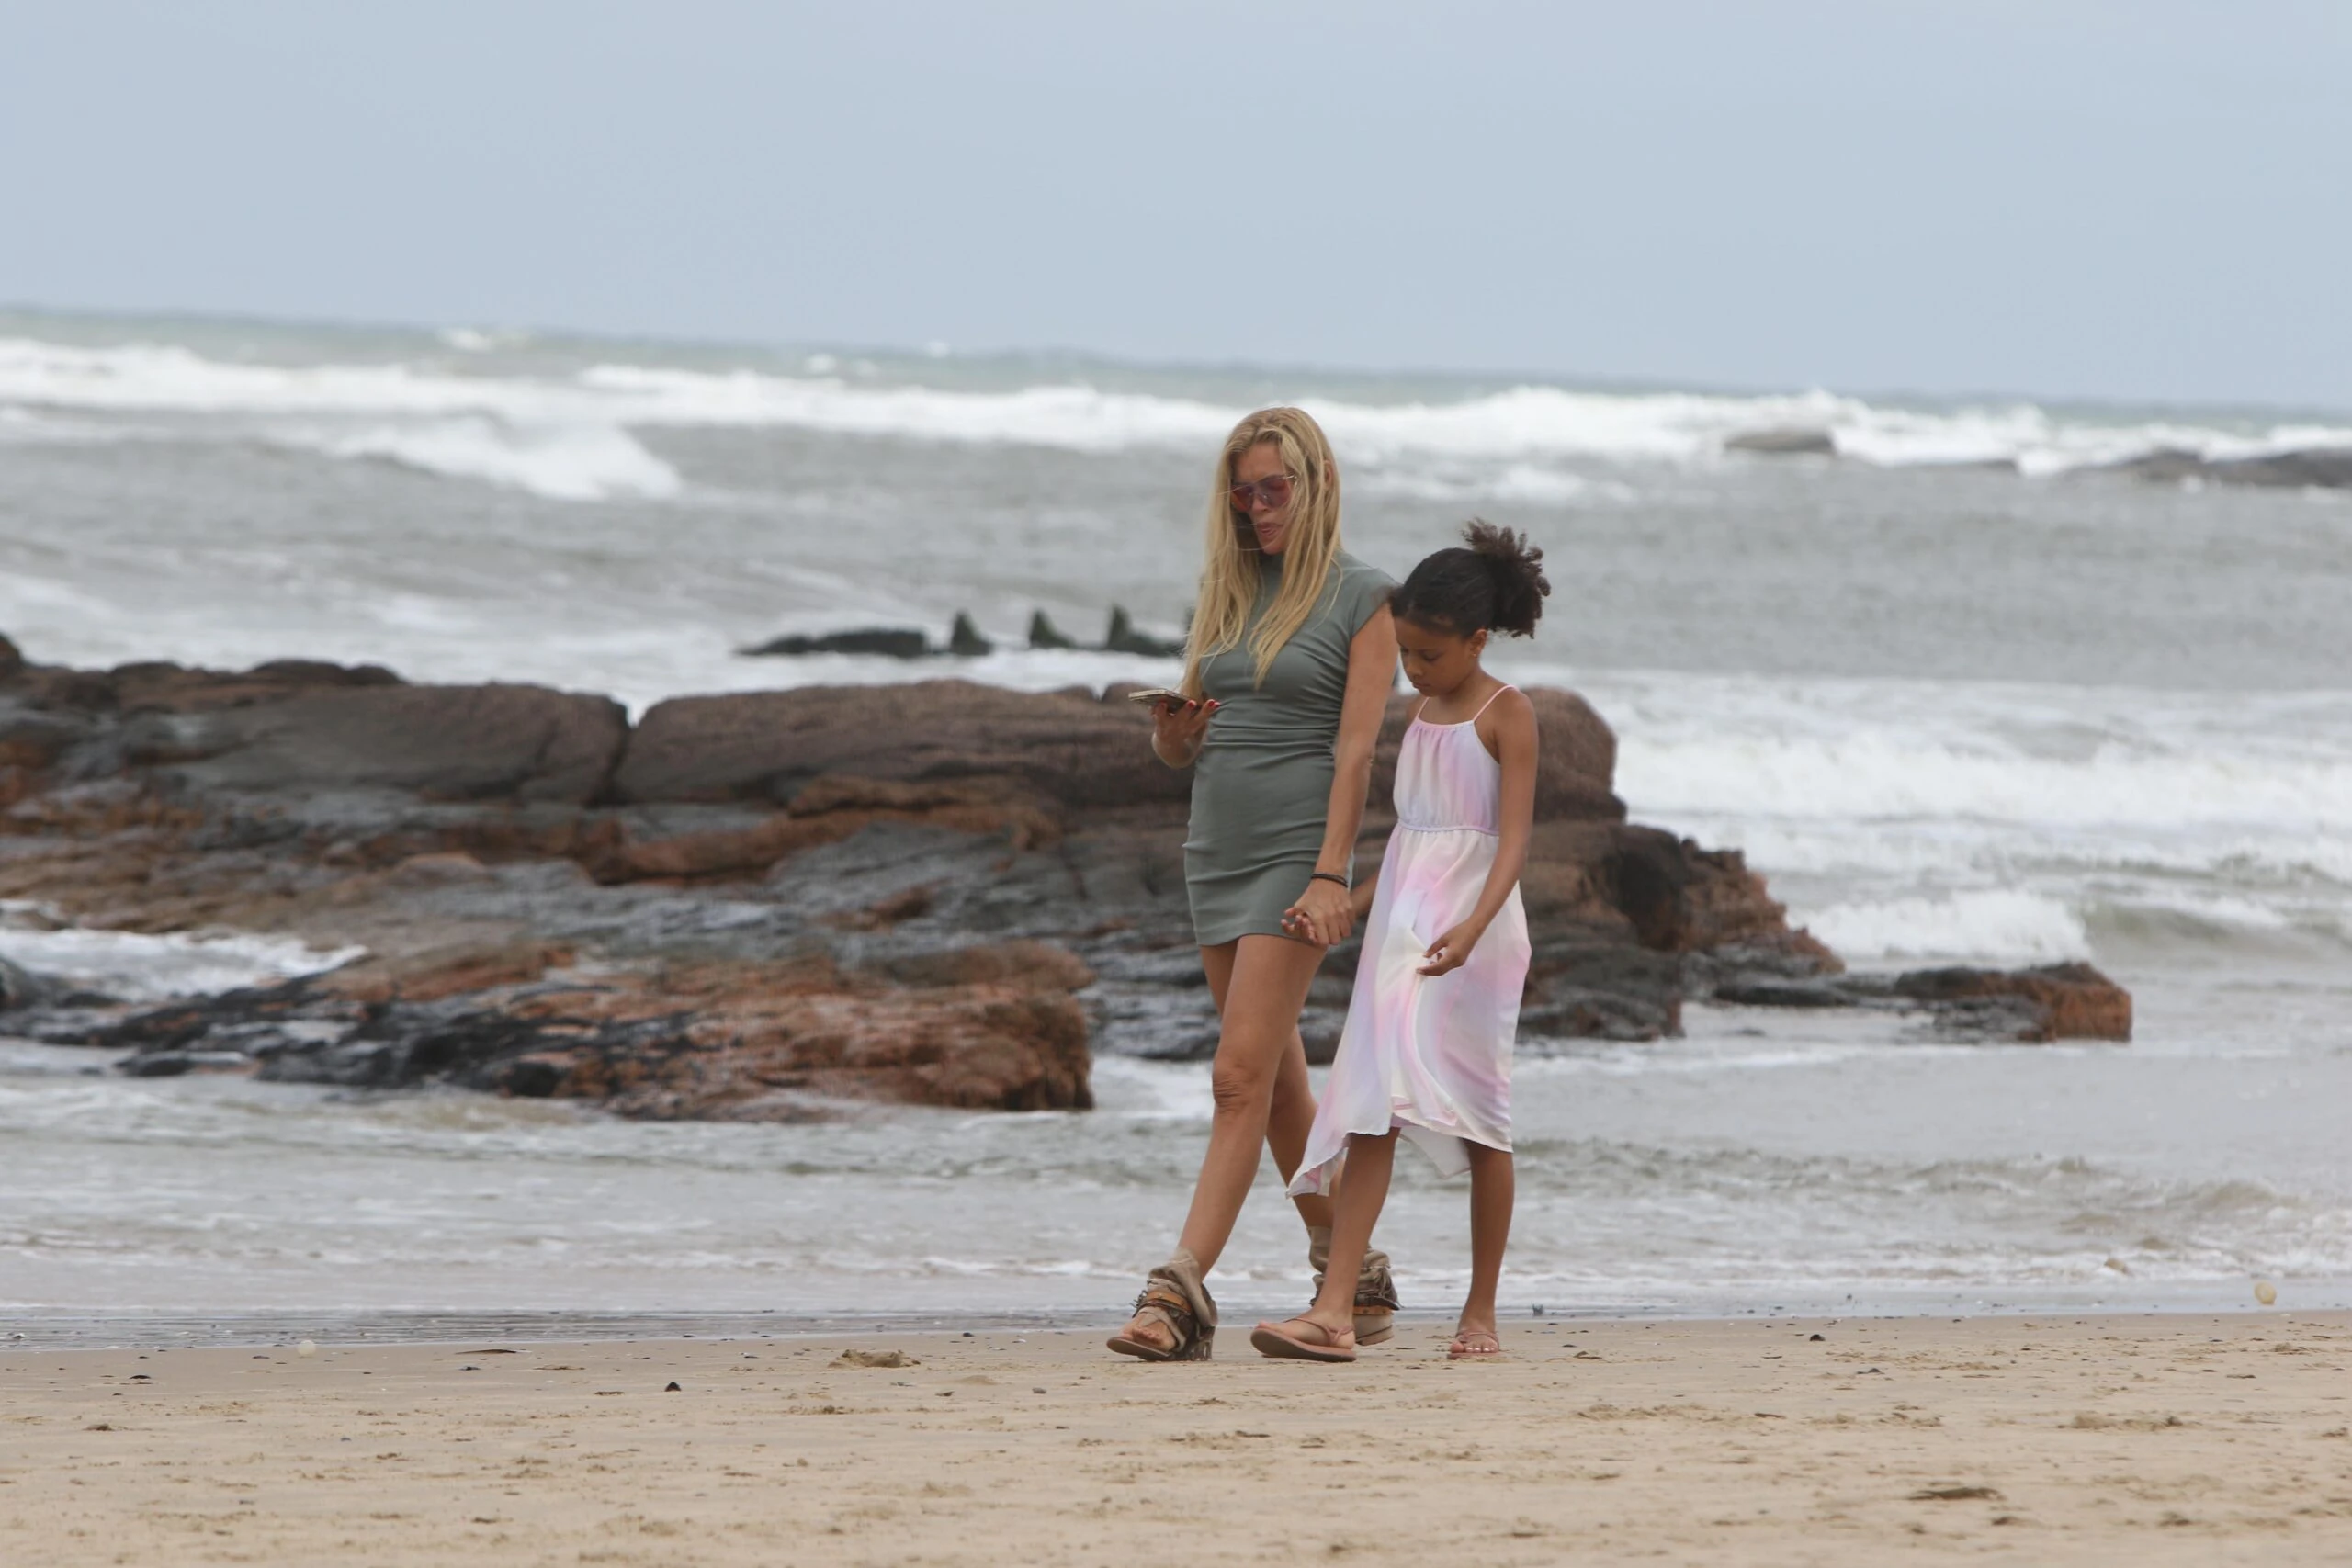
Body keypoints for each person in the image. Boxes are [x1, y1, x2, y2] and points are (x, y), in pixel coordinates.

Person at [1106, 407, 1399, 1362]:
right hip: (1215, 846)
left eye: (1274, 489)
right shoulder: (1227, 588)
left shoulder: (1365, 599)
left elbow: (1356, 748)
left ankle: (1179, 1290)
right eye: (1243, 492)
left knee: (1234, 1076)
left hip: (1293, 854)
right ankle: (1347, 1267)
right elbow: (1181, 741)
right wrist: (1171, 734)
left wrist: (1330, 873)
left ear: (1315, 485)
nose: (1258, 508)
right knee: (1271, 1083)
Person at [1250, 521, 1549, 1363]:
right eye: (1407, 655)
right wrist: (1348, 901)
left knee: (1482, 1119)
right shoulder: (1419, 714)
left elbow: (1510, 842)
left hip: (1475, 935)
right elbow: (1415, 835)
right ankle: (1336, 1308)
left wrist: (1473, 926)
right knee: (1374, 1104)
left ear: (1478, 640)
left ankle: (1480, 1312)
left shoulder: (1508, 713)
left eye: (1430, 655)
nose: (1415, 671)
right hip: (1404, 931)